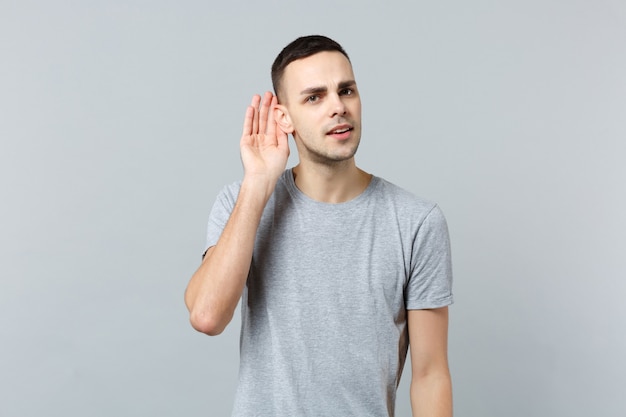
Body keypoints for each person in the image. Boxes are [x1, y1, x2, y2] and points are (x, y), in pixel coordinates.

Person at [184, 35, 454, 417]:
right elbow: (207, 316)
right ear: (284, 117)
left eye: (346, 90)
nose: (338, 108)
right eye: (314, 97)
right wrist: (258, 183)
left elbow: (430, 375)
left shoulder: (416, 221)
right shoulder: (241, 202)